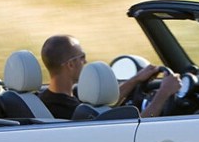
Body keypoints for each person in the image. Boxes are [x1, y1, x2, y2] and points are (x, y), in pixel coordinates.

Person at [38, 34, 180, 119]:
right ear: (70, 64)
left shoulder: (45, 99)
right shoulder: (72, 110)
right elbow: (136, 130)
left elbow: (102, 102)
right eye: (82, 57)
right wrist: (164, 93)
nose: (85, 62)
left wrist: (136, 79)